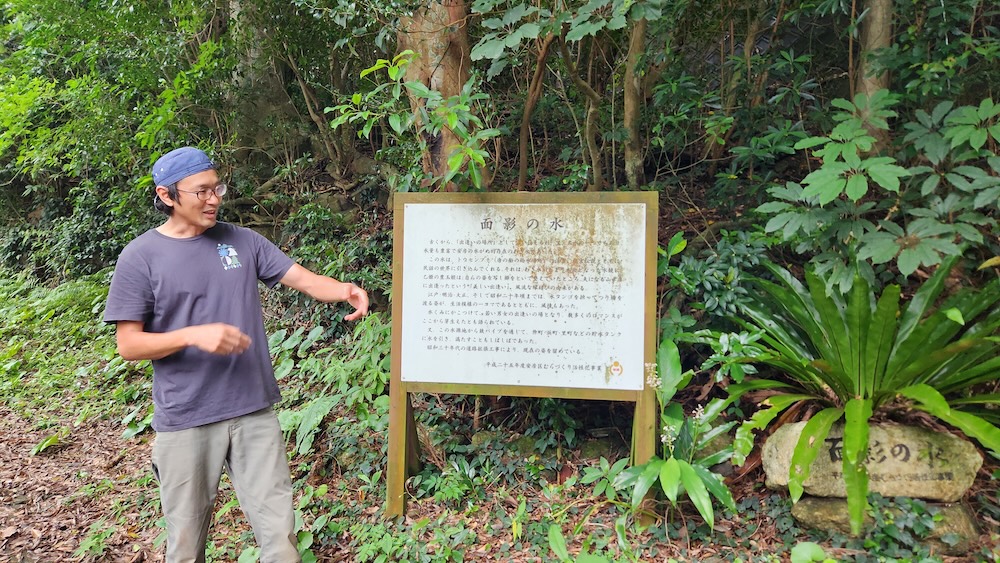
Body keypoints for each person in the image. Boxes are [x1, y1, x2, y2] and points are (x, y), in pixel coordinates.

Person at [103, 146, 369, 562]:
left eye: (218, 188)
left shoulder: (241, 240)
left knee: (280, 537)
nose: (214, 199)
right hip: (186, 419)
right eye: (202, 191)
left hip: (253, 410)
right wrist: (193, 335)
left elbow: (302, 278)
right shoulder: (141, 257)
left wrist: (343, 290)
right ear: (167, 195)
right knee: (187, 546)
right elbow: (129, 344)